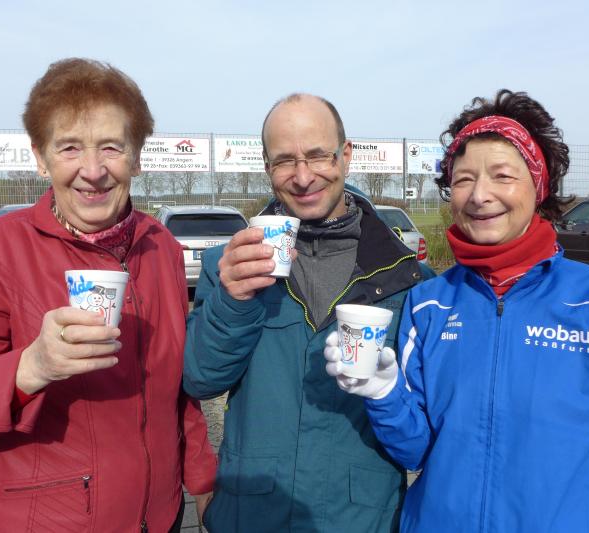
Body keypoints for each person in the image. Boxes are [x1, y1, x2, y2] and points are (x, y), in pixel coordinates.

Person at [325, 89, 589, 532]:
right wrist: (384, 393)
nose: (480, 195)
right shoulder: (429, 302)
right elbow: (415, 451)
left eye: (502, 176)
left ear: (538, 187)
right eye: (464, 179)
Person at [0, 58, 216, 532]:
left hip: (160, 516)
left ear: (136, 157)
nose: (92, 171)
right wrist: (30, 367)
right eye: (70, 147)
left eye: (111, 147)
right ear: (41, 157)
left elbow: (178, 387)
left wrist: (201, 480)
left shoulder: (161, 247)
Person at [183, 93, 434, 532]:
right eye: (285, 161)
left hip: (362, 520)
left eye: (318, 155)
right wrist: (233, 299)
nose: (303, 177)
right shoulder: (228, 267)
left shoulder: (409, 279)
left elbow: (421, 432)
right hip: (252, 517)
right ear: (267, 167)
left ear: (346, 155)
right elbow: (201, 379)